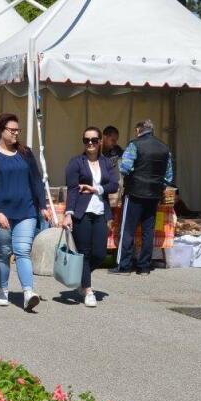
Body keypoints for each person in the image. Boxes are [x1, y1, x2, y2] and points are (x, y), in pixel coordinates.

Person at [0, 113, 50, 312]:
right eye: (12, 130)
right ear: (1, 130)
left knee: (23, 251)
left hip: (26, 210)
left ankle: (28, 292)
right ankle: (3, 290)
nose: (16, 133)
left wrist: (43, 205)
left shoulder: (25, 153)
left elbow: (36, 180)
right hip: (1, 213)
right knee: (4, 252)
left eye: (18, 130)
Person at [64, 126, 118, 308]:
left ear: (100, 141)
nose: (90, 143)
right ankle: (88, 290)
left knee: (100, 253)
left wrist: (96, 189)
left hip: (101, 212)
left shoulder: (106, 163)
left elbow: (114, 185)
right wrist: (68, 213)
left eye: (94, 140)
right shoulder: (76, 162)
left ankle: (81, 277)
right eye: (86, 140)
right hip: (82, 213)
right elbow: (71, 190)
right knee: (84, 253)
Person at [112, 119, 173, 276]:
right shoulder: (165, 148)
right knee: (148, 231)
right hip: (154, 195)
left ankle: (124, 266)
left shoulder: (134, 145)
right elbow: (168, 176)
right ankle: (144, 266)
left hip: (134, 193)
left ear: (139, 130)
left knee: (128, 230)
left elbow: (125, 168)